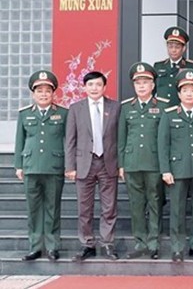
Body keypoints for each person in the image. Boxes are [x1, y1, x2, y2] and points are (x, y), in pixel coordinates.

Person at [158, 69, 193, 262]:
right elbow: (163, 144)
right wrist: (165, 170)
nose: (189, 94)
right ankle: (177, 247)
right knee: (177, 210)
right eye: (185, 90)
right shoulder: (169, 114)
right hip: (177, 170)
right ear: (179, 93)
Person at [65, 71, 121, 261]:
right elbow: (70, 140)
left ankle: (107, 244)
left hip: (108, 162)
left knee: (109, 207)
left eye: (98, 85)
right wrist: (70, 166)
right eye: (90, 85)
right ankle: (87, 244)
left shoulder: (115, 107)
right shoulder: (75, 108)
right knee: (84, 208)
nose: (94, 88)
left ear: (104, 87)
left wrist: (121, 164)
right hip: (83, 164)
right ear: (84, 87)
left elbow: (120, 138)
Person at [14, 70, 68, 262]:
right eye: (39, 91)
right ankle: (35, 247)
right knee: (34, 209)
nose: (44, 94)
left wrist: (69, 165)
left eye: (47, 90)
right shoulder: (25, 114)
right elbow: (19, 141)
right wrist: (18, 165)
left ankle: (52, 246)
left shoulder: (63, 113)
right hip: (30, 167)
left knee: (53, 208)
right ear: (33, 93)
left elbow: (68, 141)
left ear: (53, 93)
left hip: (54, 166)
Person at [118, 63, 168, 260]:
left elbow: (164, 139)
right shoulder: (126, 107)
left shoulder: (162, 106)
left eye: (145, 82)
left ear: (153, 85)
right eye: (138, 82)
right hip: (132, 163)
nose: (141, 86)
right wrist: (121, 164)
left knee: (155, 202)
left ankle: (153, 243)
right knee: (136, 204)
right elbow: (121, 138)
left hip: (154, 162)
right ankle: (140, 242)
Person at [153, 26, 193, 106]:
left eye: (177, 47)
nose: (173, 50)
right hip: (162, 111)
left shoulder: (192, 67)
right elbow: (152, 91)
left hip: (181, 112)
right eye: (170, 47)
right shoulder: (158, 66)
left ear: (184, 48)